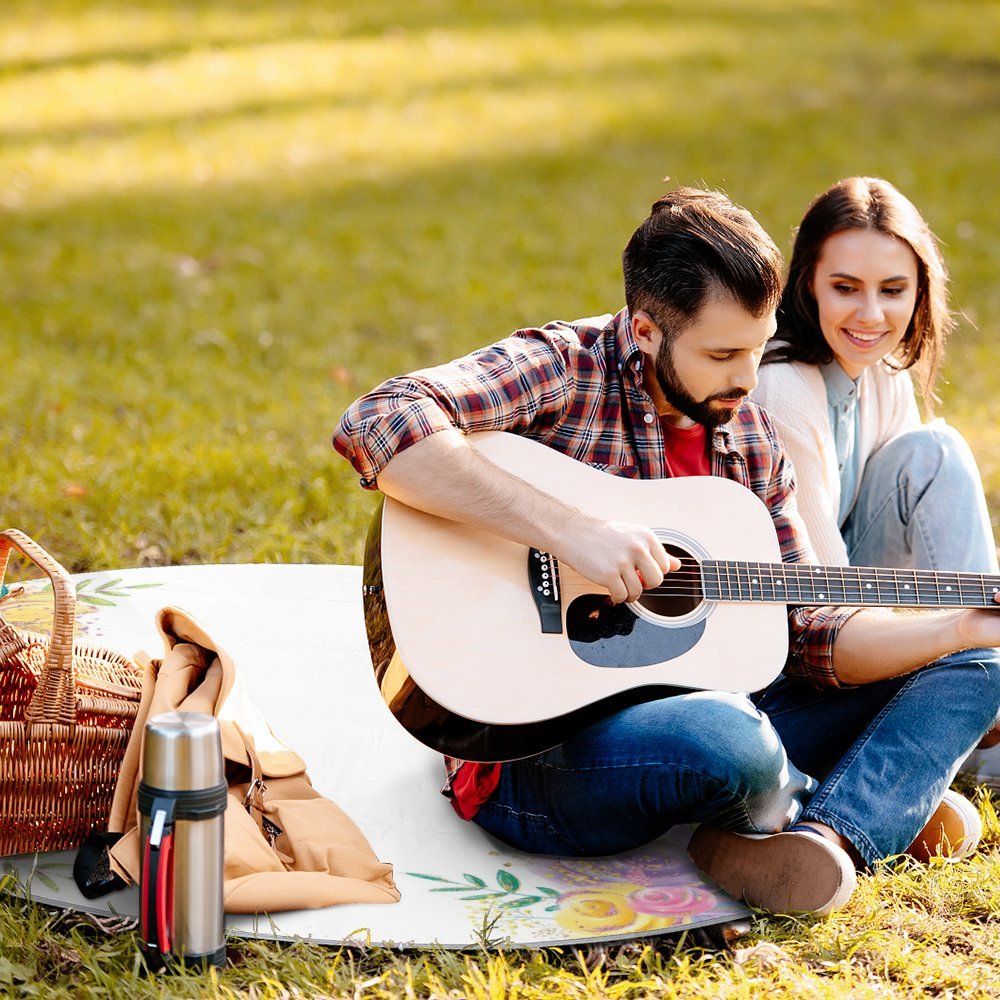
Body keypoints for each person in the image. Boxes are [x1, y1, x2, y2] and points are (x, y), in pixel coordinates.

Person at [333, 187, 1000, 916]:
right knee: (729, 742)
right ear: (646, 330)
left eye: (757, 346)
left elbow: (809, 629)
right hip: (535, 754)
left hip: (721, 709)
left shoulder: (748, 436)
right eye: (722, 354)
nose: (748, 380)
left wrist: (956, 628)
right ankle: (858, 796)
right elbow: (380, 419)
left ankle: (829, 835)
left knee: (981, 665)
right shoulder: (564, 367)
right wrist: (569, 530)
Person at [753, 176, 1000, 792]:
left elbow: (921, 531)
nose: (871, 315)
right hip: (796, 646)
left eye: (893, 290)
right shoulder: (783, 386)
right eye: (845, 288)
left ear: (920, 291)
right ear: (807, 281)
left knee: (931, 452)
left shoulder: (881, 370)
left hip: (861, 607)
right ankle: (977, 708)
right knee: (937, 451)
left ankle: (977, 696)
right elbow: (824, 601)